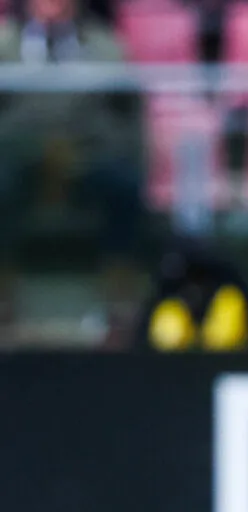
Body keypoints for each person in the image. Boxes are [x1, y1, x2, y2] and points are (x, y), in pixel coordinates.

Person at [0, 0, 145, 345]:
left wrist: (82, 147)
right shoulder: (5, 43)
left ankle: (119, 304)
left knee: (124, 186)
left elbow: (126, 115)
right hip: (19, 152)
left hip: (86, 153)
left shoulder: (105, 45)